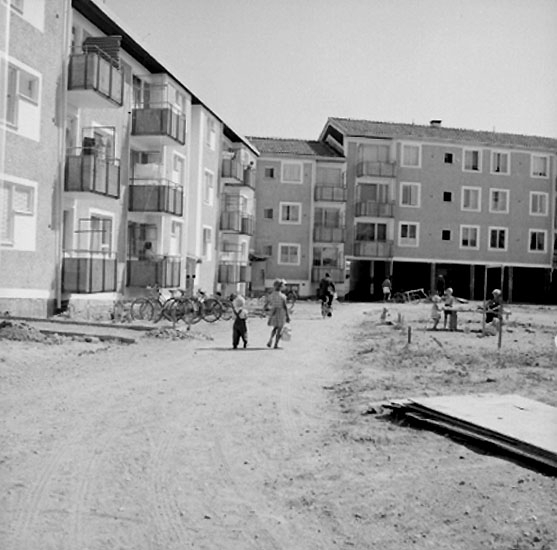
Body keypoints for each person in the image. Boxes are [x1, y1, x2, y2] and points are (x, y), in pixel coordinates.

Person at [267, 279, 290, 349]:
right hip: (281, 312)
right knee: (280, 328)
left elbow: (268, 304)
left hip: (274, 312)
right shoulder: (282, 296)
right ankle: (276, 344)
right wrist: (287, 316)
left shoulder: (271, 295)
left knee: (275, 327)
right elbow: (285, 306)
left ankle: (270, 339)